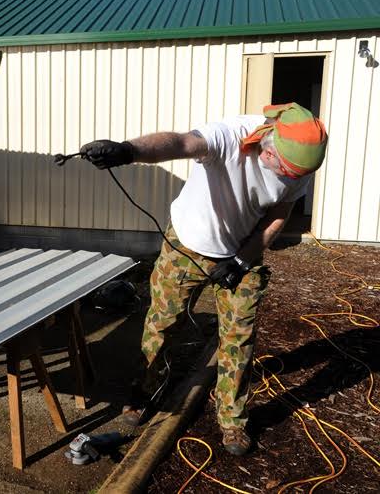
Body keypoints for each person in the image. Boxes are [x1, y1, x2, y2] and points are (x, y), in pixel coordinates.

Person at [79, 102, 328, 456]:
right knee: (162, 326)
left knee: (239, 339)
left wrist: (243, 259)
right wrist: (128, 150)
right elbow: (179, 143)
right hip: (186, 246)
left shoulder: (300, 168)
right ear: (267, 144)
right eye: (283, 169)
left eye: (295, 174)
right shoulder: (229, 136)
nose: (289, 178)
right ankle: (143, 396)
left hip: (241, 252)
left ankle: (233, 419)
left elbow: (278, 214)